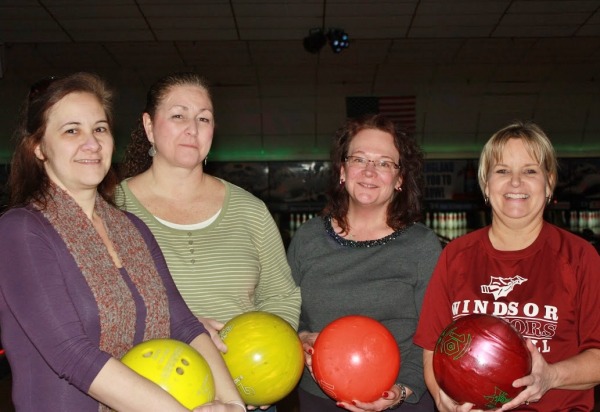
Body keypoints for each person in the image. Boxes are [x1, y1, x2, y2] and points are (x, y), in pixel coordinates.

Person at [0, 72, 246, 412]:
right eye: (72, 130)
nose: (92, 143)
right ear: (38, 147)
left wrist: (232, 403)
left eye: (100, 129)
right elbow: (72, 354)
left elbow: (184, 323)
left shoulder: (132, 229)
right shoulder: (22, 231)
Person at [116, 72, 301, 410]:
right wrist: (178, 327)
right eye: (178, 115)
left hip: (243, 392)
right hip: (149, 394)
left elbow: (281, 297)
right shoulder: (113, 208)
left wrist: (268, 365)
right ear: (148, 126)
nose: (193, 128)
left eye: (204, 118)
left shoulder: (250, 211)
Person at [413, 121, 600, 411]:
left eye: (530, 171)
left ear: (549, 182)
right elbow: (433, 348)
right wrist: (442, 399)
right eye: (502, 171)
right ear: (486, 184)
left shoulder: (580, 257)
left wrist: (550, 376)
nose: (515, 182)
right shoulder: (455, 256)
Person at [287, 114, 443, 411]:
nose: (369, 171)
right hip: (320, 397)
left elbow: (432, 334)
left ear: (399, 179)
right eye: (359, 159)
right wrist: (302, 336)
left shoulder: (421, 245)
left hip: (399, 397)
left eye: (384, 163)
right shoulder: (308, 237)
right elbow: (286, 311)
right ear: (342, 170)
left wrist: (401, 390)